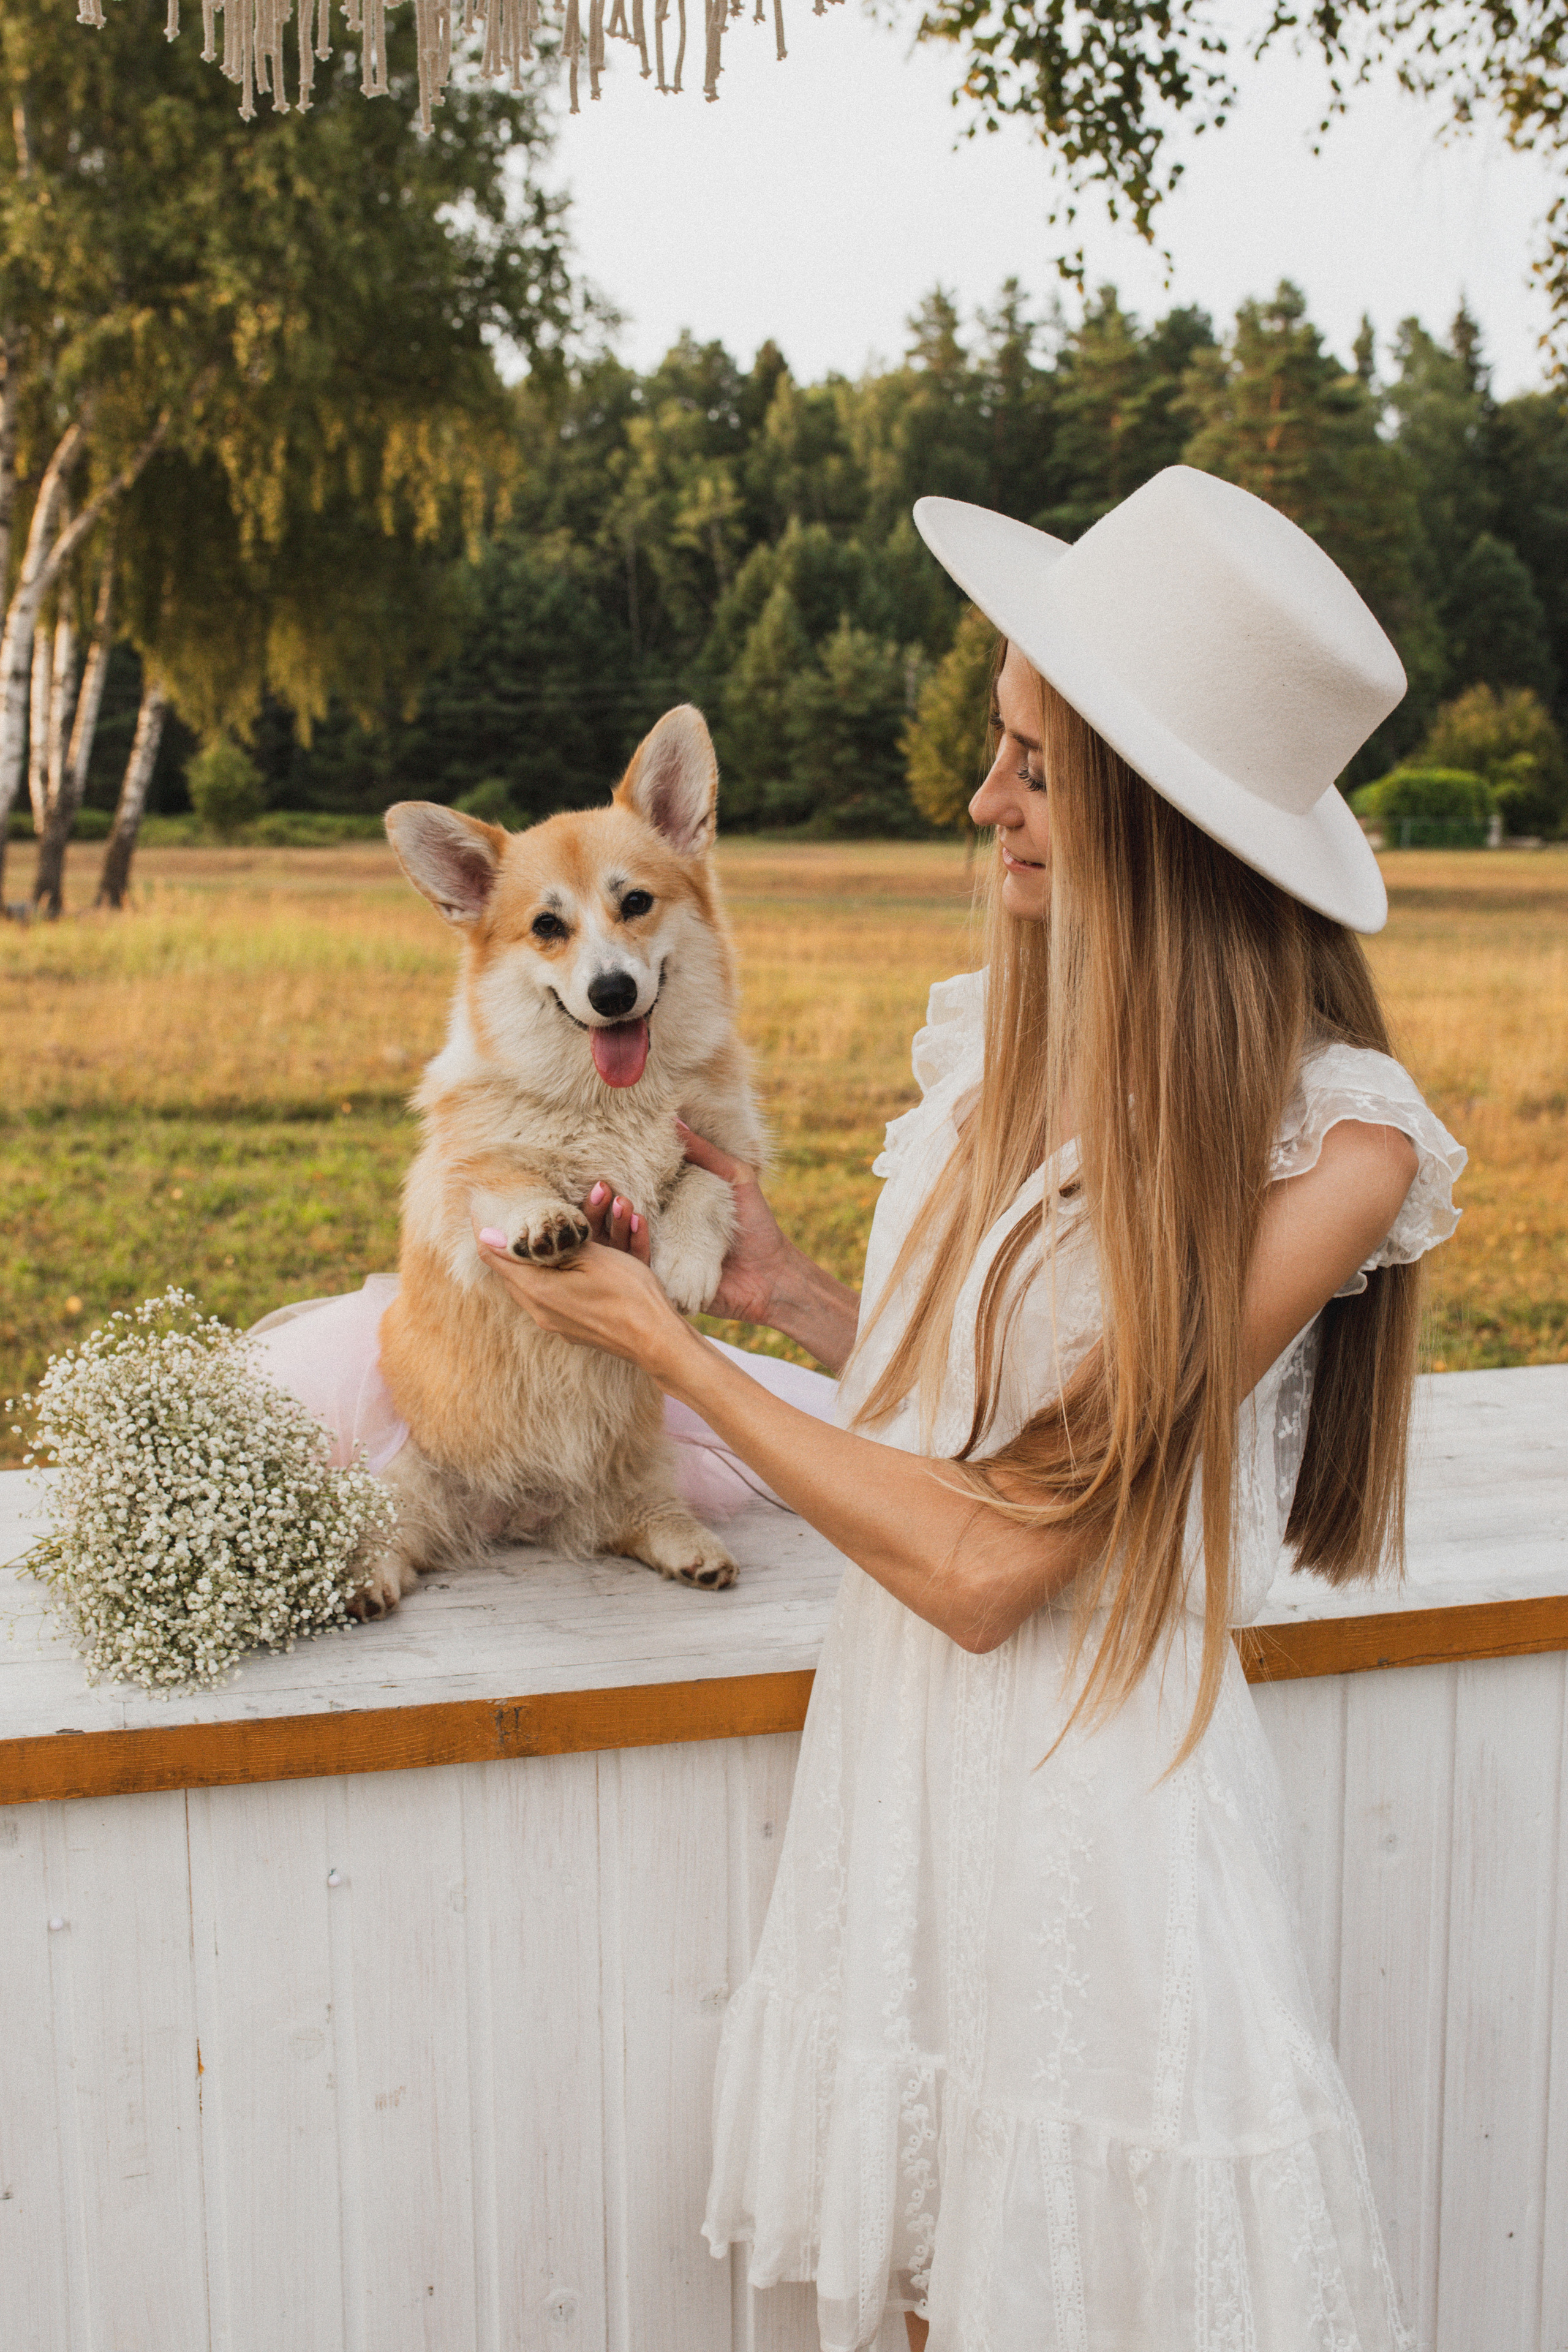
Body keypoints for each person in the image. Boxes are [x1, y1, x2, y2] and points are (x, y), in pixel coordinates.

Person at [475, 467, 1465, 2351]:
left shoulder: (1327, 1151)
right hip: (914, 1785)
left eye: (1030, 763)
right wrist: (787, 1296)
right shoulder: (1013, 1027)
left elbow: (1002, 1559)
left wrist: (676, 1355)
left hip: (1092, 1839)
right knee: (936, 2311)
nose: (981, 799)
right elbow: (986, 1415)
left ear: (1164, 817)